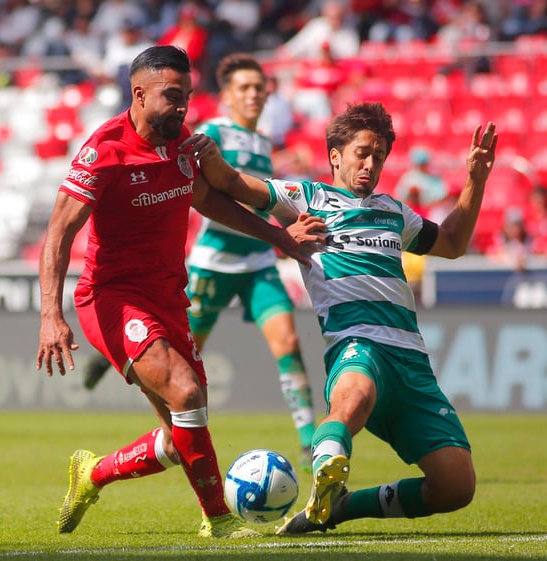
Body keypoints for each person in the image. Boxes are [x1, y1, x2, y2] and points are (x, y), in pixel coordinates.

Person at [35, 46, 318, 539]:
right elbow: (59, 232)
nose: (182, 106)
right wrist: (49, 316)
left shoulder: (182, 143)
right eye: (171, 96)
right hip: (112, 297)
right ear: (138, 94)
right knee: (186, 392)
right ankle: (220, 520)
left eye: (186, 96)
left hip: (168, 297)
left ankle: (93, 473)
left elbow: (209, 201)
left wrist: (279, 238)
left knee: (182, 427)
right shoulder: (104, 151)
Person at [186, 102, 497, 534]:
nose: (372, 164)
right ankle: (327, 465)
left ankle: (340, 507)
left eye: (380, 156)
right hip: (356, 344)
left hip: (411, 363)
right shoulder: (306, 198)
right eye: (362, 153)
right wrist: (208, 153)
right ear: (336, 155)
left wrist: (474, 181)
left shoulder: (394, 212)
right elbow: (229, 182)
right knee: (352, 400)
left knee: (456, 486)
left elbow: (451, 242)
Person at [184, 53, 317, 470]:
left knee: (289, 344)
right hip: (215, 262)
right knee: (186, 358)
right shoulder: (212, 132)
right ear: (226, 96)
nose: (254, 94)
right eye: (244, 88)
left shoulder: (262, 141)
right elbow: (205, 193)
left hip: (258, 260)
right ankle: (184, 440)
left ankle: (311, 444)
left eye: (259, 88)